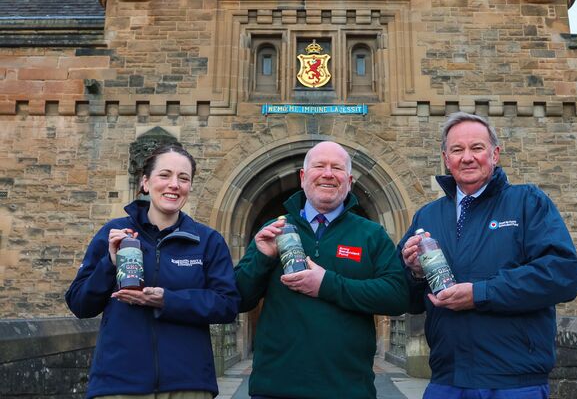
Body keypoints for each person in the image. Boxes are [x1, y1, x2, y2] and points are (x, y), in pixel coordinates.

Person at [398, 112, 577, 399]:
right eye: (457, 150)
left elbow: (563, 275)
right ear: (446, 159)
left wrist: (480, 294)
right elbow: (407, 300)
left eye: (477, 148)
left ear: (494, 154)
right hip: (447, 379)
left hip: (513, 381)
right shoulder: (428, 216)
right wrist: (415, 273)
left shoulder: (527, 202)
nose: (467, 157)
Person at [234, 141, 409, 399]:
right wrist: (262, 257)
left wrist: (327, 284)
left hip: (348, 388)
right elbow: (238, 297)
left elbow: (397, 296)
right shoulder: (275, 230)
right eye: (319, 166)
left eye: (337, 168)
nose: (328, 173)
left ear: (348, 181)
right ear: (304, 177)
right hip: (276, 387)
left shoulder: (371, 234)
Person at [66, 143, 240, 399]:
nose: (174, 184)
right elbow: (80, 304)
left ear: (190, 187)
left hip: (188, 384)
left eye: (183, 178)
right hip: (118, 384)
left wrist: (167, 300)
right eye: (165, 175)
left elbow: (227, 305)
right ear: (145, 182)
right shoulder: (113, 233)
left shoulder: (207, 240)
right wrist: (109, 263)